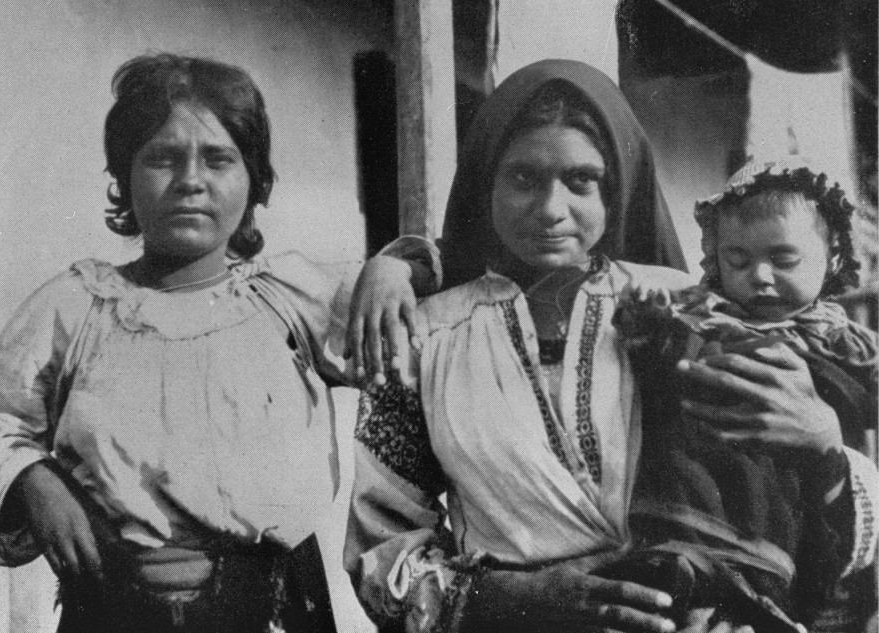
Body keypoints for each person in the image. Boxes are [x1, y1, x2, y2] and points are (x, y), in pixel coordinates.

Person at [342, 59, 879, 633]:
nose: (551, 209)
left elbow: (784, 485)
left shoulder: (687, 308)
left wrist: (823, 445)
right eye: (523, 178)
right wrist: (510, 597)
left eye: (581, 180)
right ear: (484, 180)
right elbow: (382, 551)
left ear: (617, 186)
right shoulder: (421, 340)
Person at [0, 53, 433, 633]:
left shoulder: (289, 300)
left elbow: (436, 294)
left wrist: (399, 268)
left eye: (218, 159)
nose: (191, 180)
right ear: (124, 177)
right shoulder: (76, 308)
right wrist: (31, 478)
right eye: (163, 159)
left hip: (273, 612)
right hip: (110, 612)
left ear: (255, 179)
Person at [610, 158, 878, 630]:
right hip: (687, 486)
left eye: (783, 260)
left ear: (833, 257)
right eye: (738, 260)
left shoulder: (836, 340)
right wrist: (645, 321)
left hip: (780, 502)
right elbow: (659, 364)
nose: (760, 275)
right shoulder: (702, 316)